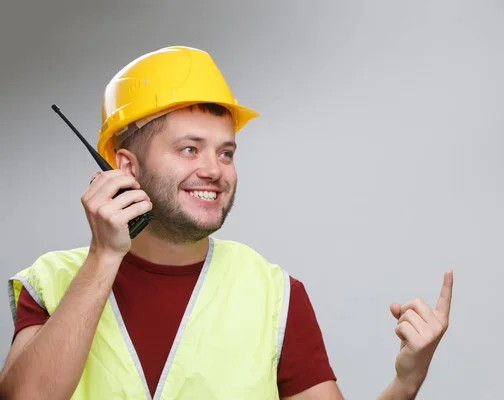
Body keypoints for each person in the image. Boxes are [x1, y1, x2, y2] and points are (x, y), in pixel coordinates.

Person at [0, 46, 453, 400]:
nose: (215, 171)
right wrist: (104, 255)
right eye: (189, 149)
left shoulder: (274, 295)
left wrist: (406, 383)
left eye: (226, 152)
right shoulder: (52, 283)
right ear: (126, 167)